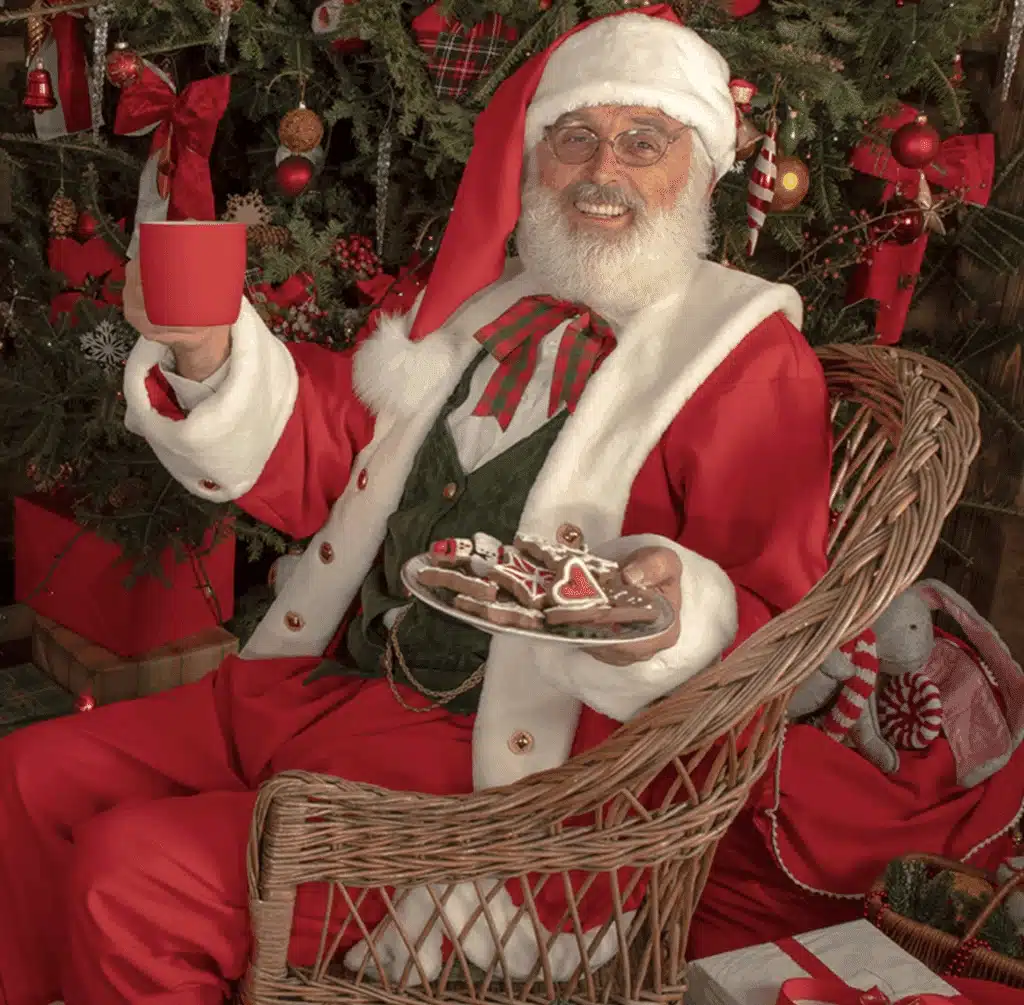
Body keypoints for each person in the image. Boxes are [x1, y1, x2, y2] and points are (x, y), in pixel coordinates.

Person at [3, 6, 1008, 1004]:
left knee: (133, 878)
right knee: (26, 778)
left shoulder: (743, 358)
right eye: (574, 138)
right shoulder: (484, 310)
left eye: (641, 141)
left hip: (501, 774)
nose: (601, 170)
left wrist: (665, 608)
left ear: (701, 171)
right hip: (315, 694)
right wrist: (205, 355)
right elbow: (335, 459)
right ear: (536, 165)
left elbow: (764, 611)